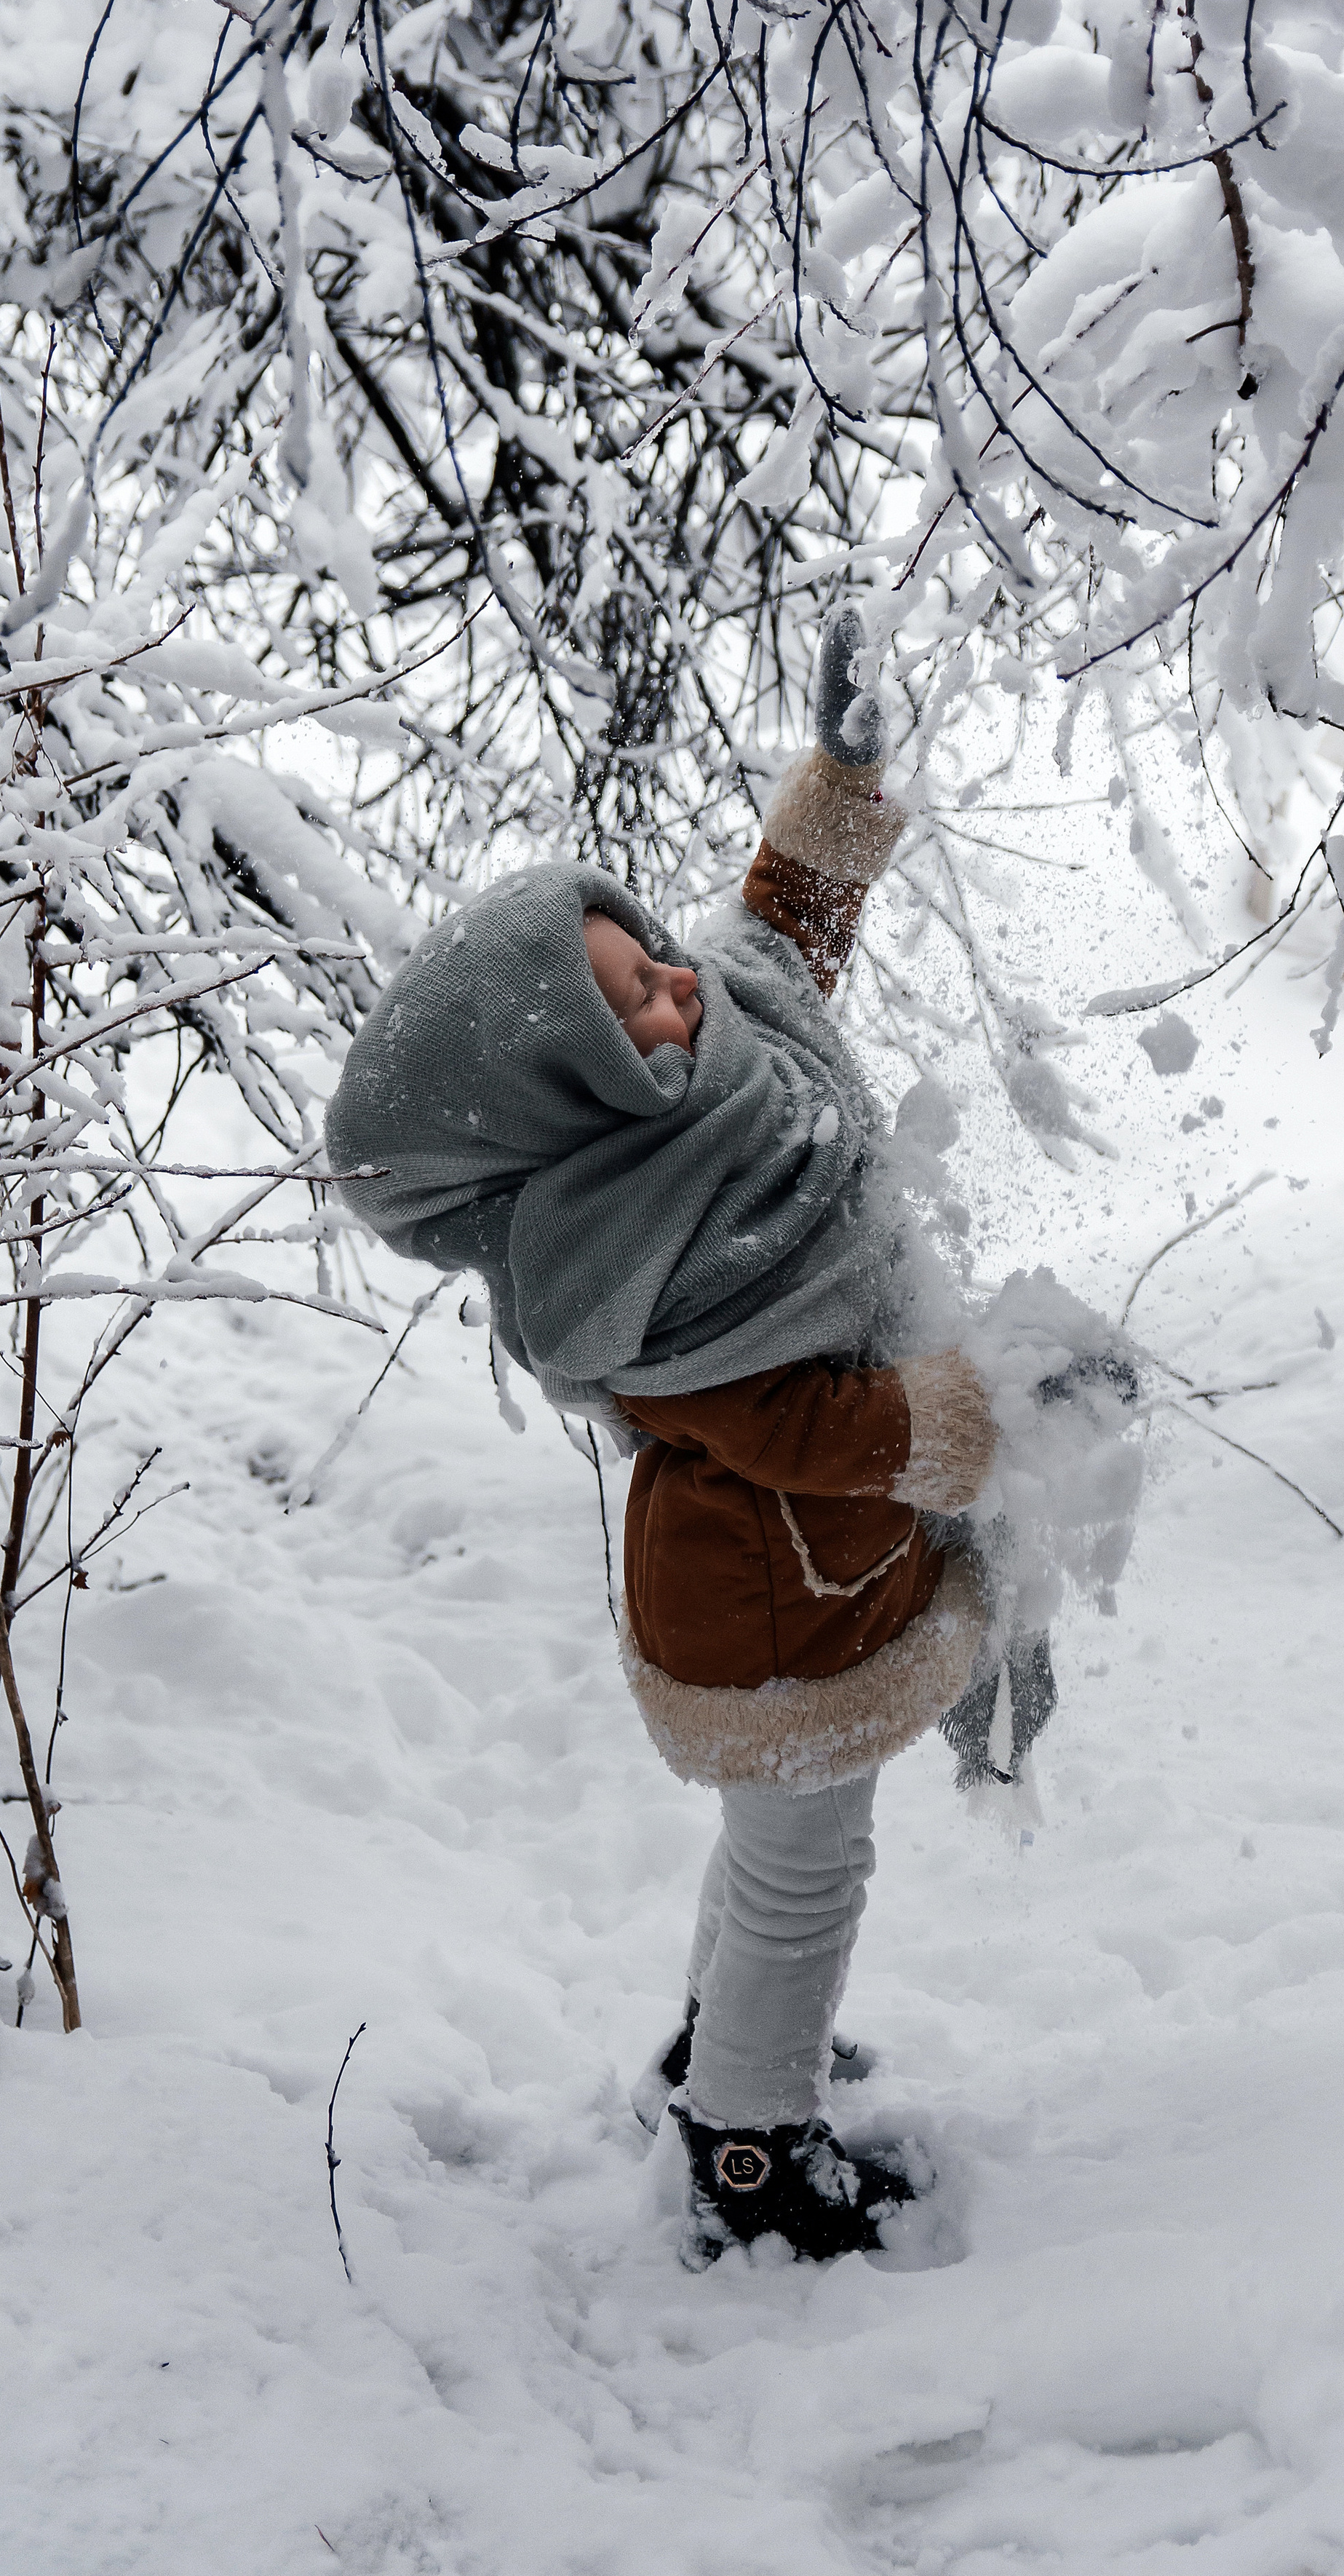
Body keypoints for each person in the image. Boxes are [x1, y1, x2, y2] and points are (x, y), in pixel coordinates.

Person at [326, 608, 1030, 2267]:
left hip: (802, 1578)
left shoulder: (725, 1052)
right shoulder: (625, 1265)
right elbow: (795, 1422)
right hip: (769, 1604)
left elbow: (784, 928)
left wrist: (840, 783)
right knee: (807, 1872)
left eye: (644, 958)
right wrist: (974, 1419)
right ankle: (745, 2147)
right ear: (563, 1093)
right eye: (629, 1006)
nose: (672, 994)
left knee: (774, 1850)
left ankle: (721, 2047)